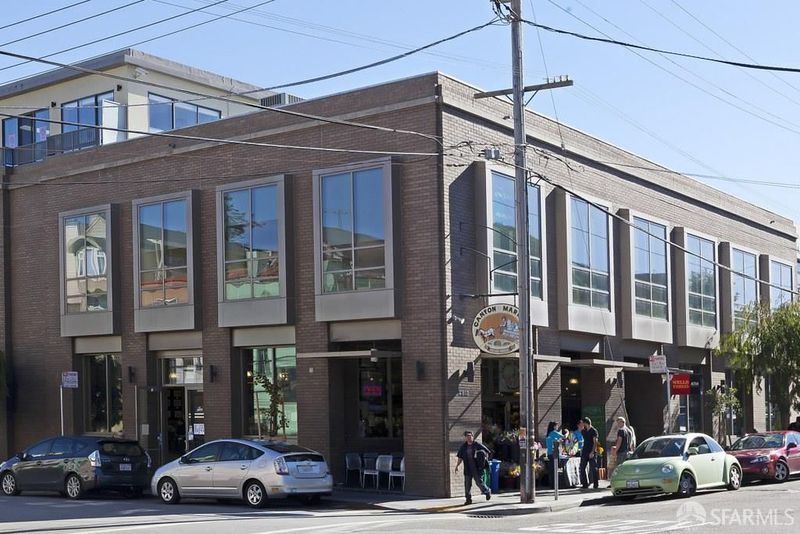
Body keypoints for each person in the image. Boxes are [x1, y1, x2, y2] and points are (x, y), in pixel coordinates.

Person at [455, 430, 492, 505]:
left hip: (477, 468)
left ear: (472, 437)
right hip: (468, 469)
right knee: (467, 485)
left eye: (470, 436)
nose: (469, 437)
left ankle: (487, 491)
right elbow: (460, 457)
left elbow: (487, 452)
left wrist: (484, 460)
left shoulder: (477, 444)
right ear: (465, 437)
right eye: (467, 436)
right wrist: (457, 466)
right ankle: (468, 499)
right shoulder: (463, 447)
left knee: (479, 483)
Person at [579, 417, 599, 490]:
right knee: (582, 468)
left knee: (593, 468)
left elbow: (595, 442)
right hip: (585, 451)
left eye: (582, 423)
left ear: (585, 423)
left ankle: (595, 484)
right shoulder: (583, 431)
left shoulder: (594, 431)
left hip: (591, 451)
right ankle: (585, 484)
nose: (581, 424)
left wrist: (592, 452)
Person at [545, 421, 563, 487]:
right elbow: (564, 437)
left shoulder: (549, 434)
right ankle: (555, 484)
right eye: (556, 425)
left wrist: (559, 441)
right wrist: (567, 432)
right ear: (554, 426)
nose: (557, 427)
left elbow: (553, 442)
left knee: (552, 470)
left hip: (549, 453)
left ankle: (552, 484)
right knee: (555, 469)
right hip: (554, 453)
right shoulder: (554, 432)